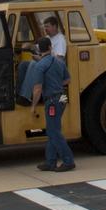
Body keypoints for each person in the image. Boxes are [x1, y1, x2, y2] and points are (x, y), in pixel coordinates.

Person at [25, 37, 74, 172]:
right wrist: (56, 83)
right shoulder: (59, 62)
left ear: (39, 50)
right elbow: (68, 80)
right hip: (63, 97)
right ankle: (50, 161)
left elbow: (37, 89)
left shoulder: (40, 66)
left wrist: (33, 106)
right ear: (50, 47)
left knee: (53, 131)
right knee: (54, 129)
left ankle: (68, 161)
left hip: (52, 100)